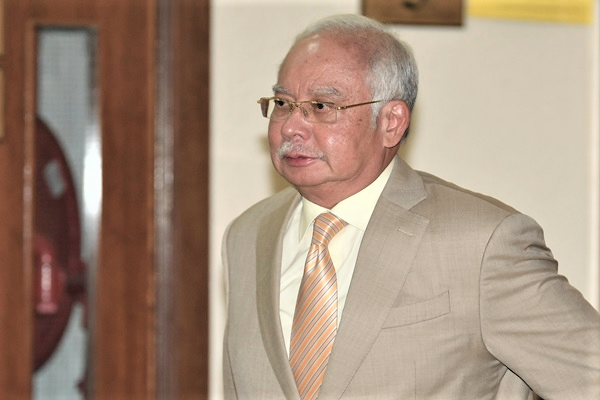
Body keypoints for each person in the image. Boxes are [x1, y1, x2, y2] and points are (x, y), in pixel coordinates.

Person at [222, 14, 600, 399]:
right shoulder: (248, 236)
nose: (290, 127)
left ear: (391, 121)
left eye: (321, 106)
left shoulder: (481, 243)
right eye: (283, 103)